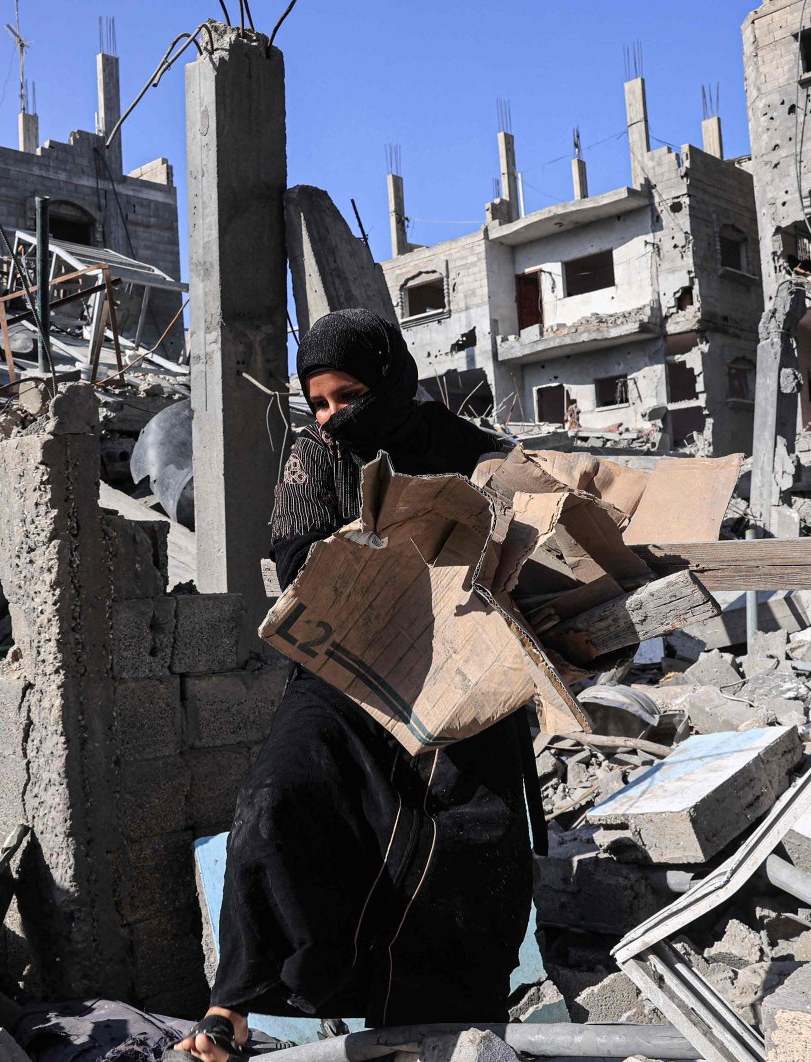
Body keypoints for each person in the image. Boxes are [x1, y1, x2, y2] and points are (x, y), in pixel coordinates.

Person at [174, 309, 545, 1062]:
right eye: (319, 402)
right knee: (276, 798)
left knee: (471, 833)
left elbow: (528, 539)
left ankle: (441, 1026)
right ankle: (232, 1009)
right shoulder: (316, 459)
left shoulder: (464, 450)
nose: (333, 415)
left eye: (349, 396)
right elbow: (296, 559)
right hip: (347, 669)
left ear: (391, 379)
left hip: (457, 669)